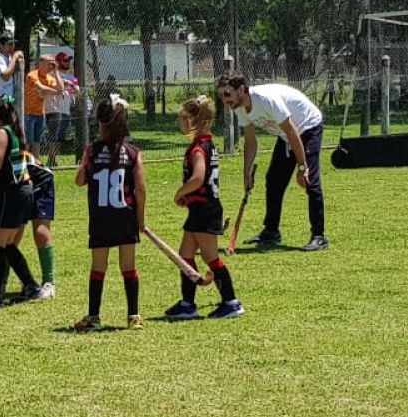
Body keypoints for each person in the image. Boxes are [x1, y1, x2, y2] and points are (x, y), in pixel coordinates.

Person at [217, 73, 328, 251]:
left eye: (227, 94)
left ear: (241, 89)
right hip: (286, 135)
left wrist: (302, 167)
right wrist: (246, 174)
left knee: (309, 181)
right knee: (274, 180)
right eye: (221, 96)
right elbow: (251, 141)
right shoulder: (239, 107)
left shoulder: (265, 99)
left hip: (307, 127)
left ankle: (319, 236)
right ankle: (271, 231)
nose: (224, 100)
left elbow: (293, 132)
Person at [165, 96, 244, 320]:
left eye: (185, 119)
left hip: (205, 210)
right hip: (199, 208)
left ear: (195, 121)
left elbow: (198, 177)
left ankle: (231, 302)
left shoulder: (199, 148)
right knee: (185, 256)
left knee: (211, 257)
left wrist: (181, 192)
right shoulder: (207, 144)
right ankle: (187, 304)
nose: (182, 124)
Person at [72, 95, 147, 331]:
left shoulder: (92, 150)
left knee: (98, 267)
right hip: (125, 216)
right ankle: (133, 316)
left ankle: (94, 317)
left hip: (101, 217)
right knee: (128, 266)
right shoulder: (133, 152)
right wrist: (140, 220)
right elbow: (141, 188)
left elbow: (79, 181)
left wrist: (85, 163)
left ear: (100, 124)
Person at [0, 93, 44, 308]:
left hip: (12, 193)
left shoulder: (2, 133)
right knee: (9, 245)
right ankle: (31, 286)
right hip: (21, 192)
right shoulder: (11, 131)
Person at [23, 150, 57, 300]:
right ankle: (0, 285)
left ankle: (49, 282)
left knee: (40, 232)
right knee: (8, 235)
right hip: (21, 186)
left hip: (40, 183)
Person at [24, 54, 62, 159]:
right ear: (41, 64)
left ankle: (36, 165)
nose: (52, 65)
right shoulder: (32, 75)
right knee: (28, 142)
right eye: (50, 63)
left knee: (37, 142)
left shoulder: (50, 78)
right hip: (28, 114)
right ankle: (22, 166)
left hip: (40, 114)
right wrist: (56, 91)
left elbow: (61, 88)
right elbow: (41, 88)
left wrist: (56, 72)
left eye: (53, 64)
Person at [53, 51, 77, 167]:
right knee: (54, 137)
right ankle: (52, 159)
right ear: (58, 62)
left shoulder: (71, 77)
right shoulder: (53, 74)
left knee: (61, 138)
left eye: (69, 60)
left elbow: (74, 93)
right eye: (65, 60)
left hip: (66, 110)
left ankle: (53, 159)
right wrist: (65, 82)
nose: (68, 63)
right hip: (54, 109)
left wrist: (76, 90)